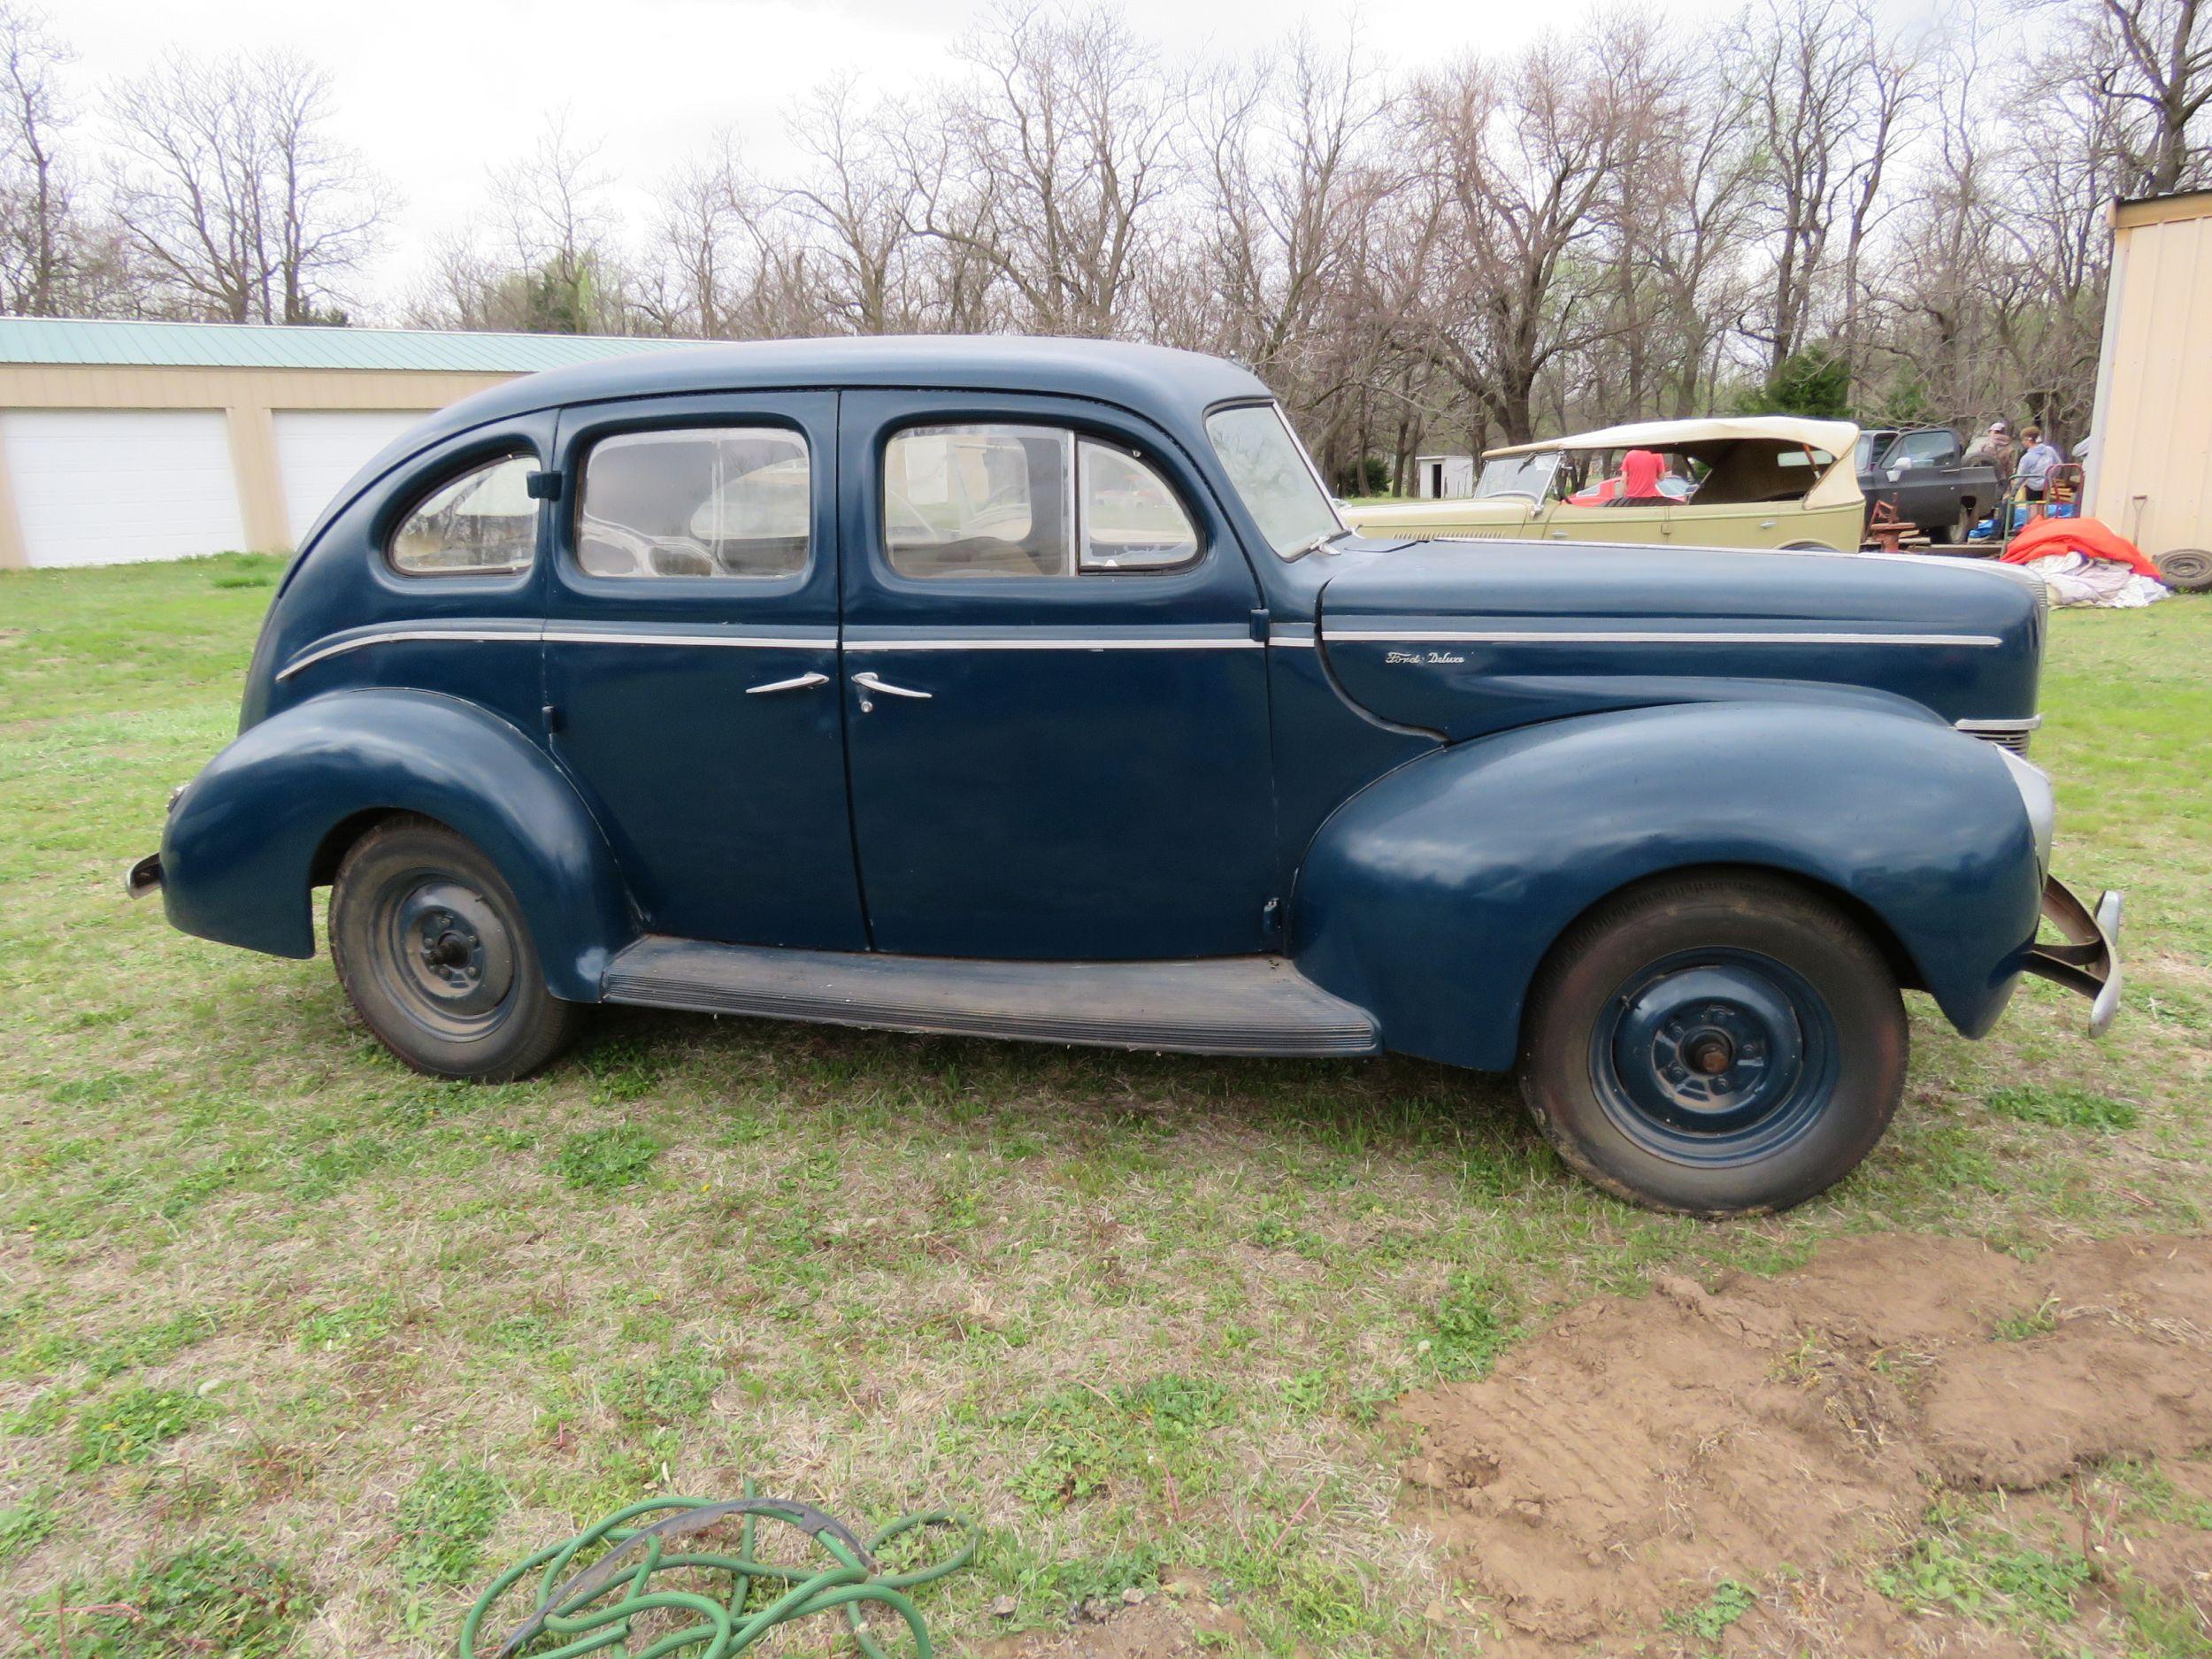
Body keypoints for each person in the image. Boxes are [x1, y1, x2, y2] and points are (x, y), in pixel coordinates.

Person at [2014, 425, 2066, 503]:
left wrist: (2015, 489)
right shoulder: (2050, 450)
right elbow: (2058, 465)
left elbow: (2021, 476)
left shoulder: (2027, 458)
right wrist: (2051, 476)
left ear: (2028, 440)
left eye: (2023, 440)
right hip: (2047, 485)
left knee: (2033, 507)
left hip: (2033, 487)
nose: (2022, 442)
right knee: (2045, 505)